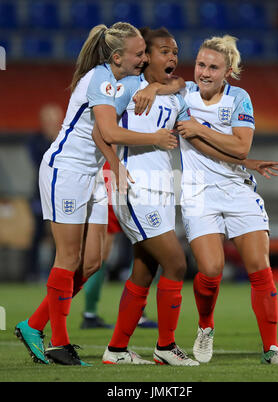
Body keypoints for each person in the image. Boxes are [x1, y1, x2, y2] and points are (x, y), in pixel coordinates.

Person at [14, 22, 178, 366]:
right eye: (139, 54)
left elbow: (168, 85)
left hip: (91, 176)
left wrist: (158, 90)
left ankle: (33, 324)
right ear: (117, 57)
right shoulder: (99, 80)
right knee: (68, 258)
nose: (145, 58)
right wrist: (154, 138)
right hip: (66, 171)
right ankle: (59, 344)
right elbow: (107, 130)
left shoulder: (127, 78)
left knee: (91, 262)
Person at [176, 35, 278, 365]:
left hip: (239, 191)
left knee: (260, 267)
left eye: (213, 67)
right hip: (199, 193)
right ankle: (205, 326)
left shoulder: (239, 98)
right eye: (201, 64)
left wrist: (197, 128)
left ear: (227, 71)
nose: (204, 72)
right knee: (211, 269)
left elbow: (241, 147)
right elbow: (210, 146)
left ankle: (271, 348)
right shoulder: (181, 92)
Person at [102, 27, 199, 366]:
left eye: (175, 51)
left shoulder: (172, 94)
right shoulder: (129, 87)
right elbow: (101, 128)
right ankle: (166, 346)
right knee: (176, 262)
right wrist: (114, 164)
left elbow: (185, 86)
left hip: (160, 188)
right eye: (163, 51)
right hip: (135, 188)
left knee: (144, 270)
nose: (172, 56)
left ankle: (116, 351)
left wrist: (161, 86)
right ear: (144, 56)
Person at [80, 161, 158, 329]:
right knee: (102, 254)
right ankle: (91, 313)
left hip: (124, 176)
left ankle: (93, 313)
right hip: (117, 177)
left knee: (140, 245)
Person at [26, 103, 63, 282]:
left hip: (60, 193)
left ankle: (55, 272)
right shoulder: (36, 139)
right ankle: (32, 273)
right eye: (46, 119)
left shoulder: (64, 137)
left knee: (60, 235)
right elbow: (37, 161)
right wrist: (50, 141)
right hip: (39, 194)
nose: (49, 122)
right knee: (38, 234)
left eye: (52, 118)